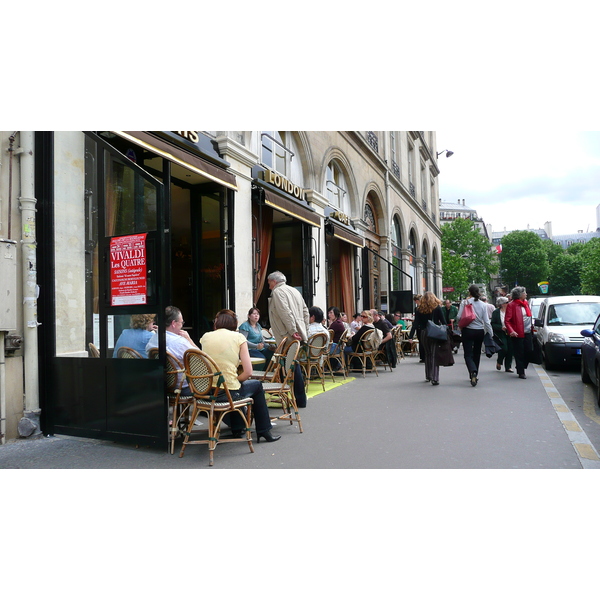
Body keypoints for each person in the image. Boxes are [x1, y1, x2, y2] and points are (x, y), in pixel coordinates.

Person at [200, 309, 280, 443]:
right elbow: (248, 372)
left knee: (234, 386)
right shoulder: (238, 338)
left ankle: (238, 428)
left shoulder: (206, 337)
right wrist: (233, 380)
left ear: (216, 323)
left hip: (207, 390)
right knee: (255, 385)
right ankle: (264, 430)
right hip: (227, 393)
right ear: (234, 324)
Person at [266, 271, 310, 408]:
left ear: (274, 282)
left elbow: (285, 312)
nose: (269, 287)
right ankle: (293, 397)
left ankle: (288, 395)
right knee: (290, 363)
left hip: (286, 334)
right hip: (296, 332)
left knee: (290, 364)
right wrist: (304, 329)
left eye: (269, 283)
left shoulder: (278, 292)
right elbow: (306, 312)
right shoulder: (295, 291)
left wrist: (292, 330)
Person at [146, 306, 200, 392]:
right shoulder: (180, 342)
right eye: (181, 322)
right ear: (173, 323)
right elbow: (201, 359)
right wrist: (189, 340)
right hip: (182, 386)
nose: (182, 326)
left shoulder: (153, 339)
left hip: (162, 385)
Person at [456, 284, 493, 387]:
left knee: (468, 354)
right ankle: (475, 373)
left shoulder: (465, 302)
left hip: (467, 330)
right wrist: (490, 333)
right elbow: (486, 321)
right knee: (477, 353)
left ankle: (472, 371)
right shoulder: (483, 305)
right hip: (479, 331)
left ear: (469, 292)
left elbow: (459, 316)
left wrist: (460, 323)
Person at [409, 291, 446, 385]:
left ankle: (428, 375)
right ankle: (435, 377)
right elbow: (443, 321)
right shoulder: (437, 308)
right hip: (434, 333)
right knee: (434, 354)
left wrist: (410, 336)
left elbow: (415, 323)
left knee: (427, 354)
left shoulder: (419, 309)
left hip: (423, 333)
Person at [504, 286, 533, 380]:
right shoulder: (512, 305)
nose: (526, 294)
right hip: (517, 333)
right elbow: (507, 320)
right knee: (519, 353)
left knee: (529, 351)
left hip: (528, 331)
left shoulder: (526, 303)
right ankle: (521, 372)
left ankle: (521, 366)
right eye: (524, 293)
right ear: (520, 295)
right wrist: (511, 331)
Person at [491, 296, 513, 373]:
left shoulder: (510, 311)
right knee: (504, 348)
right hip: (501, 333)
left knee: (510, 349)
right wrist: (501, 327)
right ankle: (499, 361)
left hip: (510, 332)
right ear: (502, 304)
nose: (509, 303)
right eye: (507, 302)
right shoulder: (496, 312)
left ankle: (508, 366)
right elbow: (493, 324)